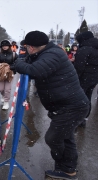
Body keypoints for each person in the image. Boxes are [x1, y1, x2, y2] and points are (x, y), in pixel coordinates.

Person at [12, 31, 90, 179]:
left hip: (71, 107)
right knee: (66, 138)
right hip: (65, 106)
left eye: (27, 46)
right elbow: (28, 62)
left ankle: (65, 168)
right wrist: (17, 64)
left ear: (32, 47)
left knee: (53, 138)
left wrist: (18, 63)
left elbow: (35, 70)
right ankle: (67, 169)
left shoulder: (52, 55)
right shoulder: (44, 53)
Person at [74, 31, 98, 127]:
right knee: (88, 96)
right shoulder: (95, 48)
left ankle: (78, 119)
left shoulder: (84, 49)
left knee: (78, 98)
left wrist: (74, 78)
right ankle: (84, 118)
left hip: (83, 78)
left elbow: (79, 67)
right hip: (94, 78)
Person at [0, 39, 17, 110]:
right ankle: (3, 95)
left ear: (9, 46)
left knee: (7, 89)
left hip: (10, 73)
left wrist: (10, 67)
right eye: (3, 46)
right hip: (1, 73)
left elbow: (18, 63)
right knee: (0, 88)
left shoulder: (14, 54)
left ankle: (6, 102)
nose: (5, 47)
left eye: (6, 46)